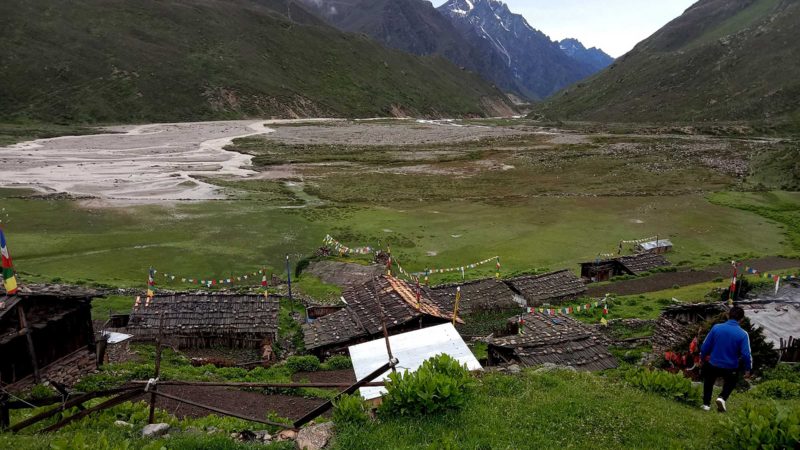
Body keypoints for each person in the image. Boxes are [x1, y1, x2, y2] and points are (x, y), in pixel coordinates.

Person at [699, 306, 752, 412]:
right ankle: (722, 397)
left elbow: (705, 346)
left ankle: (706, 404)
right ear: (741, 319)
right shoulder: (743, 334)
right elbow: (746, 354)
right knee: (731, 381)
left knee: (709, 380)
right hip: (730, 366)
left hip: (713, 363)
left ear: (728, 315)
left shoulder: (716, 328)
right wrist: (748, 369)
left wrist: (702, 358)